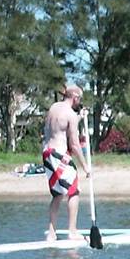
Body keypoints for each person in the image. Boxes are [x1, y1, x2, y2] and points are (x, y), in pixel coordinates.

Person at [41, 85, 91, 241]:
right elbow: (75, 145)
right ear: (75, 97)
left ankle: (51, 232)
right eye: (79, 99)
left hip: (47, 153)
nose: (79, 102)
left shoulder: (54, 107)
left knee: (57, 193)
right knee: (73, 191)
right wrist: (85, 167)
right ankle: (72, 231)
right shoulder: (69, 114)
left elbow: (59, 127)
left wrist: (80, 117)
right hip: (60, 154)